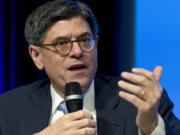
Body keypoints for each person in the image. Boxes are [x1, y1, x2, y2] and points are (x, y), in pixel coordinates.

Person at [0, 0, 180, 135]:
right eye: (61, 43)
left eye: (85, 40)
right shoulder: (7, 109)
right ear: (37, 56)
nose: (77, 52)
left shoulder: (140, 103)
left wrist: (151, 126)